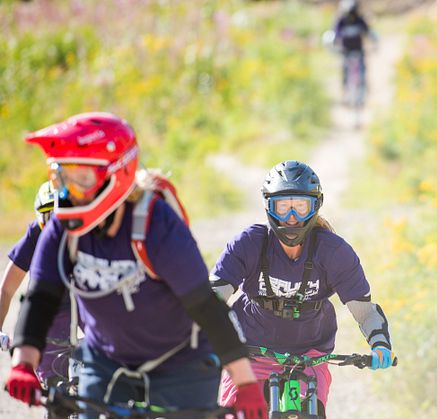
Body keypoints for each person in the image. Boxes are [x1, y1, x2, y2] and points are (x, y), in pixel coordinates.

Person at [3, 112, 266, 419]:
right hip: (106, 361)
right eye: (62, 176)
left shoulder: (157, 227)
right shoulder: (63, 229)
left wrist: (245, 382)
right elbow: (41, 299)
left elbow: (206, 305)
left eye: (83, 178)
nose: (70, 191)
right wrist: (23, 363)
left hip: (180, 362)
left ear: (118, 173)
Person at [211, 160, 395, 416]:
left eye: (300, 206)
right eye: (283, 207)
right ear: (268, 206)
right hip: (250, 355)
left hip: (309, 357)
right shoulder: (248, 244)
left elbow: (364, 311)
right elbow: (211, 300)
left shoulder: (335, 252)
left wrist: (380, 345)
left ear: (316, 206)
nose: (292, 218)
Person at [0, 182, 77, 389]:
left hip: (86, 304)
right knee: (53, 386)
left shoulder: (88, 232)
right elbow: (6, 289)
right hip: (51, 308)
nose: (57, 225)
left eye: (64, 214)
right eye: (48, 216)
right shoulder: (36, 234)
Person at [332, 0, 378, 97]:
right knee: (345, 69)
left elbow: (368, 32)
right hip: (346, 51)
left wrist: (374, 42)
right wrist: (334, 44)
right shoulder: (341, 21)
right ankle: (345, 90)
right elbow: (335, 35)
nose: (351, 16)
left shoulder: (359, 20)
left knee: (362, 69)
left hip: (359, 50)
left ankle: (363, 87)